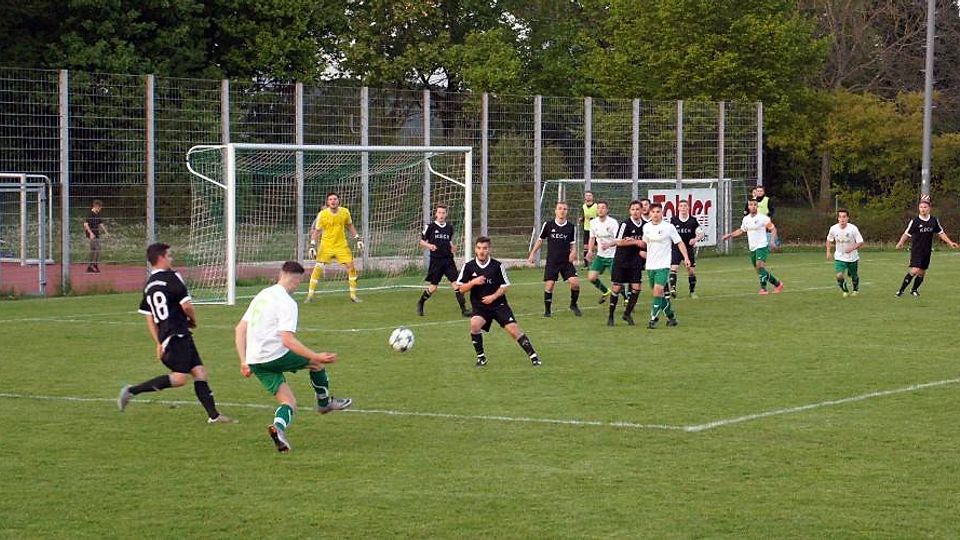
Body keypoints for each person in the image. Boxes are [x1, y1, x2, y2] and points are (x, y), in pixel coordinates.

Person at [235, 261, 352, 453]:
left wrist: (243, 361)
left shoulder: (262, 295)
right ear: (297, 281)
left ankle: (278, 429)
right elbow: (287, 340)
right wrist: (316, 355)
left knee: (288, 402)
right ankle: (324, 404)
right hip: (275, 354)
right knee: (316, 364)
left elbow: (240, 329)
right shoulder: (288, 303)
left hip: (255, 360)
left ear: (280, 275)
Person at [117, 243, 234, 424]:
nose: (171, 259)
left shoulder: (149, 285)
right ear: (161, 258)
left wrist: (158, 342)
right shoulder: (172, 277)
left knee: (200, 372)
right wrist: (193, 320)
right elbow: (186, 306)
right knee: (179, 378)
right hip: (176, 336)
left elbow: (149, 316)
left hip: (174, 336)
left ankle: (214, 416)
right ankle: (132, 391)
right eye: (169, 255)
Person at [458, 236, 541, 367]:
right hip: (480, 307)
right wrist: (473, 282)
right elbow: (461, 289)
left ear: (489, 249)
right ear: (475, 249)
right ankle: (481, 358)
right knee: (474, 325)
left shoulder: (497, 266)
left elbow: (505, 286)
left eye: (485, 248)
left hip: (499, 305)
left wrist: (493, 297)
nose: (481, 251)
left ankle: (534, 357)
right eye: (479, 248)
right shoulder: (469, 266)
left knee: (513, 330)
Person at [305, 192, 363, 303]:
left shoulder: (345, 212)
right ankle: (310, 295)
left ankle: (353, 296)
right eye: (330, 199)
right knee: (318, 268)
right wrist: (312, 245)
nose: (333, 201)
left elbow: (350, 226)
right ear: (327, 202)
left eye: (335, 199)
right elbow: (317, 231)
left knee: (351, 267)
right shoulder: (322, 214)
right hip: (326, 246)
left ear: (338, 201)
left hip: (341, 245)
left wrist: (357, 238)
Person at [894, 197, 958, 297]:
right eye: (921, 207)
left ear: (929, 209)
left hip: (927, 250)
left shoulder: (934, 220)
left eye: (925, 207)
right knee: (915, 270)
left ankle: (914, 290)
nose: (923, 209)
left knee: (922, 272)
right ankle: (901, 291)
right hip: (917, 250)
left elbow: (941, 233)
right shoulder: (915, 221)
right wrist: (901, 242)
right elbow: (907, 233)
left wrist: (950, 242)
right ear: (919, 208)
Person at [527, 201, 582, 317]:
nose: (562, 211)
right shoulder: (548, 225)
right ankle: (547, 311)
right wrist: (532, 254)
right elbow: (540, 240)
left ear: (567, 212)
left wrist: (573, 252)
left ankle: (573, 304)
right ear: (555, 211)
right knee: (550, 285)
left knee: (575, 283)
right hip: (552, 261)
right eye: (560, 208)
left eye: (565, 209)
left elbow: (573, 244)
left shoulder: (571, 227)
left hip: (566, 262)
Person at [639, 203, 690, 328]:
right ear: (650, 213)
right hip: (650, 265)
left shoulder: (668, 227)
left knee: (657, 291)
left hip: (663, 265)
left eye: (658, 212)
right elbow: (644, 243)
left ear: (662, 213)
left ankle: (653, 319)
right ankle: (671, 317)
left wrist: (686, 257)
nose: (655, 214)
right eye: (653, 212)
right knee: (659, 295)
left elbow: (679, 242)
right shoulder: (646, 227)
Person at [722, 198, 785, 295]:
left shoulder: (763, 218)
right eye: (751, 205)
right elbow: (741, 230)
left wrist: (772, 241)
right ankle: (778, 284)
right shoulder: (746, 219)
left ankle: (763, 289)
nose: (753, 206)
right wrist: (730, 235)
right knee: (760, 270)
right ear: (748, 206)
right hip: (752, 247)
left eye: (755, 205)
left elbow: (773, 229)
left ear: (757, 206)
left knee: (760, 265)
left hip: (762, 245)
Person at [417, 204, 470, 317]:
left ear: (446, 214)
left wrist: (452, 247)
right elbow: (421, 241)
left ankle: (464, 310)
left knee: (457, 285)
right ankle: (421, 302)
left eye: (443, 213)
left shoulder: (449, 228)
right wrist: (429, 245)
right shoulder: (430, 227)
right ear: (436, 214)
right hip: (436, 261)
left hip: (448, 260)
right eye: (439, 212)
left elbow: (449, 241)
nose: (441, 215)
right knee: (433, 287)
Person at [607, 200, 645, 326]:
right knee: (617, 287)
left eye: (637, 209)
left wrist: (642, 245)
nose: (635, 212)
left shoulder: (646, 226)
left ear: (642, 210)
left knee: (637, 287)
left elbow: (646, 242)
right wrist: (635, 242)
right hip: (621, 260)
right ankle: (611, 316)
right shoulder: (625, 224)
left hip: (635, 260)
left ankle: (627, 314)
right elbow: (618, 241)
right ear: (629, 211)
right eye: (633, 209)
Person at [585, 200, 619, 304]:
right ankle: (606, 291)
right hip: (600, 256)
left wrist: (609, 245)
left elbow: (618, 240)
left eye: (603, 208)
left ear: (607, 210)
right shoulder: (593, 222)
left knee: (616, 281)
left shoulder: (613, 222)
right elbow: (592, 238)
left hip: (613, 256)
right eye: (598, 208)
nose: (600, 210)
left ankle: (626, 298)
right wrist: (590, 251)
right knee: (591, 277)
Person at [669, 200, 704, 298]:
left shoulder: (693, 221)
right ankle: (673, 288)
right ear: (678, 208)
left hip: (688, 248)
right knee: (674, 268)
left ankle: (692, 291)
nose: (683, 208)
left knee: (691, 270)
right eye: (681, 206)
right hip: (676, 248)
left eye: (685, 206)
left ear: (688, 208)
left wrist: (695, 239)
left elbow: (701, 234)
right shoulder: (673, 220)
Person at [825, 208, 864, 297]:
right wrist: (828, 251)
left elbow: (861, 242)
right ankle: (845, 290)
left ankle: (855, 289)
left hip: (852, 257)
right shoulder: (833, 228)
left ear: (847, 218)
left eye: (844, 217)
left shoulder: (853, 229)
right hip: (839, 256)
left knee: (854, 276)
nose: (842, 219)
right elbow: (829, 240)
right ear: (838, 218)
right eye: (840, 217)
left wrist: (852, 248)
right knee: (839, 275)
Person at [83, 199, 108, 273]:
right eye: (100, 208)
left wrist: (106, 232)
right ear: (96, 206)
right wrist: (90, 233)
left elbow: (100, 223)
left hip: (96, 234)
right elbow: (85, 224)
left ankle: (90, 266)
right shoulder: (90, 214)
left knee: (93, 250)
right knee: (97, 248)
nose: (100, 209)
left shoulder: (97, 214)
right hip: (92, 234)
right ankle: (94, 265)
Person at [580, 191, 599, 267]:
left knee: (596, 247)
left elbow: (600, 216)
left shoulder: (596, 206)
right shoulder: (583, 206)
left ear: (592, 197)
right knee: (585, 246)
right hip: (586, 228)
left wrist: (593, 219)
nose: (588, 197)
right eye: (587, 195)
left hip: (596, 229)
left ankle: (598, 262)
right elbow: (583, 216)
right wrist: (581, 219)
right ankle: (586, 264)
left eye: (590, 195)